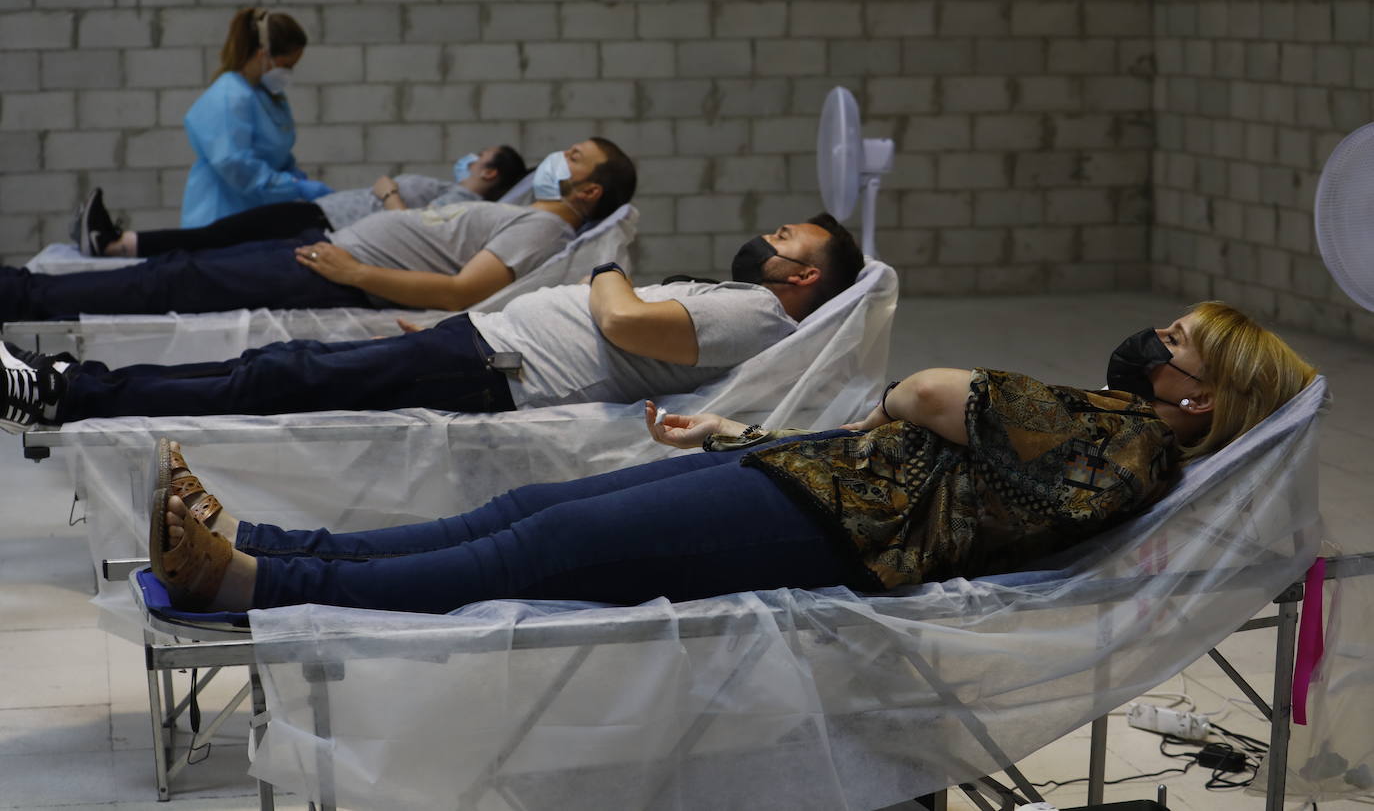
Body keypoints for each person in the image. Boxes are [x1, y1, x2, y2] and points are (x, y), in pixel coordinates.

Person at [143, 301, 1318, 614]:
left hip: (831, 533)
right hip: (806, 481)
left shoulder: (1127, 447)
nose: (1153, 340)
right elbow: (908, 432)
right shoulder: (1106, 429)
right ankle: (263, 544)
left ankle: (250, 587)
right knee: (530, 508)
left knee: (539, 550)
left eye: (1175, 343)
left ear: (1196, 397)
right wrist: (739, 435)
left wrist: (920, 407)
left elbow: (919, 395)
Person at [0, 215, 863, 430]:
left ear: (804, 277)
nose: (770, 235)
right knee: (279, 367)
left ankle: (62, 393)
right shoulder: (746, 302)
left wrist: (609, 270)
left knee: (273, 378)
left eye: (786, 236)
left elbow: (629, 325)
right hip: (482, 351)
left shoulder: (758, 313)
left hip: (495, 369)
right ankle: (68, 387)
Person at [1, 138, 634, 323]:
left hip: (337, 273)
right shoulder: (528, 217)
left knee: (174, 280)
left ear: (588, 192)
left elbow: (462, 293)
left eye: (573, 158)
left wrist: (356, 272)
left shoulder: (544, 234)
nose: (559, 157)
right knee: (175, 272)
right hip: (328, 253)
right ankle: (21, 292)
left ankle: (20, 296)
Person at [76, 145, 528, 258]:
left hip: (325, 223)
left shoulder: (464, 197)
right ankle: (118, 243)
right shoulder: (460, 192)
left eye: (480, 156)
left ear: (488, 173)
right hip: (325, 215)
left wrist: (388, 190)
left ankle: (115, 245)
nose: (470, 158)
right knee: (222, 236)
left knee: (220, 237)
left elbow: (416, 224)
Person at [177, 8, 331, 232]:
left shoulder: (268, 96)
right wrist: (294, 186)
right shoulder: (230, 96)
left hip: (255, 214)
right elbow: (235, 164)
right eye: (286, 65)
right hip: (222, 216)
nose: (289, 73)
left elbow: (276, 153)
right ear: (263, 55)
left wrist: (293, 176)